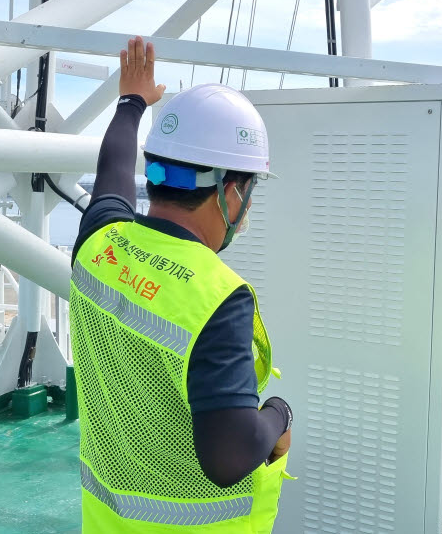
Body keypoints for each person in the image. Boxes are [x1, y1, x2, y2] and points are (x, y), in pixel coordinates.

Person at [69, 37, 293, 533]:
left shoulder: (100, 244)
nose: (248, 208)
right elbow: (230, 456)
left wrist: (131, 102)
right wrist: (278, 415)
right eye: (250, 193)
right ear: (230, 193)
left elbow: (112, 172)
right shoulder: (217, 297)